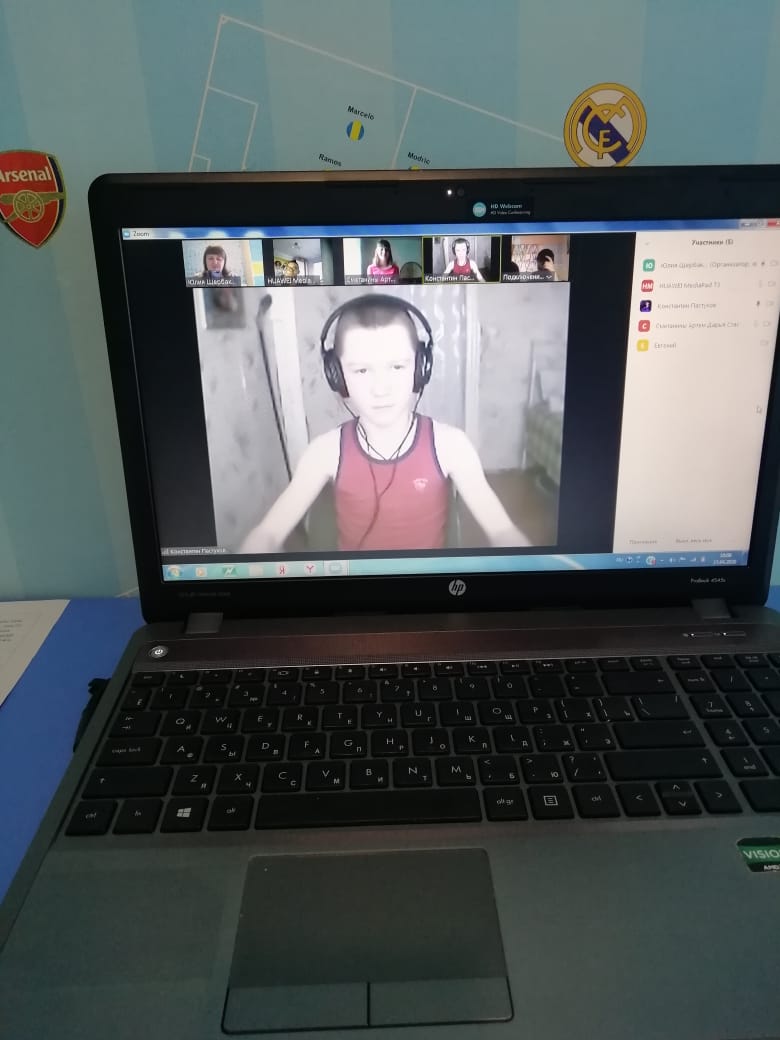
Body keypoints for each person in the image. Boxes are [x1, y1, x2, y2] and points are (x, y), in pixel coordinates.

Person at [240, 294, 530, 553]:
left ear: (420, 368)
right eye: (362, 370)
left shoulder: (452, 445)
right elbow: (269, 532)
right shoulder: (324, 451)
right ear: (337, 375)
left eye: (397, 366)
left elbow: (503, 531)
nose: (381, 389)